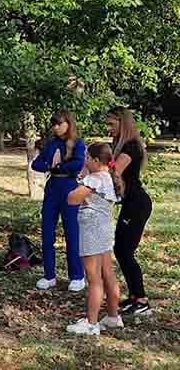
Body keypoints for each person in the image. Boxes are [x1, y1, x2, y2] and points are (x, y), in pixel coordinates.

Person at [66, 143, 124, 335]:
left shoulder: (93, 179)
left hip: (92, 233)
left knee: (94, 279)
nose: (84, 160)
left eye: (87, 158)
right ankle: (113, 316)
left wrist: (81, 177)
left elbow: (72, 199)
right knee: (108, 274)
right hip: (104, 232)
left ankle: (91, 323)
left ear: (96, 161)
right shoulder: (108, 177)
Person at [32, 110, 86, 291]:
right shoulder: (51, 144)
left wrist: (59, 165)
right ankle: (49, 275)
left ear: (68, 124)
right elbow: (36, 164)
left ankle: (77, 276)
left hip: (69, 189)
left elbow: (78, 164)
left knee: (72, 233)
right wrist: (50, 166)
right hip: (52, 189)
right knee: (47, 232)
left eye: (59, 123)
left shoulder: (77, 143)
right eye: (53, 124)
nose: (55, 127)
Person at [107, 107, 153, 315]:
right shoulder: (120, 144)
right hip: (129, 203)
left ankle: (142, 300)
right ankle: (134, 296)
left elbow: (114, 171)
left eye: (111, 124)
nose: (108, 128)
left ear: (122, 123)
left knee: (125, 251)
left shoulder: (131, 146)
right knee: (121, 250)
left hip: (137, 204)